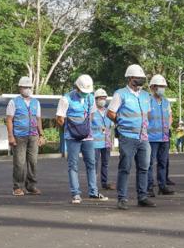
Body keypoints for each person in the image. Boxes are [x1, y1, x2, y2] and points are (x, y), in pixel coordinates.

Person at [107, 64, 155, 209]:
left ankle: (143, 197)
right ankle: (122, 198)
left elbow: (148, 114)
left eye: (142, 78)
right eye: (137, 78)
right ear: (130, 78)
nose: (140, 80)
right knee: (125, 167)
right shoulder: (120, 94)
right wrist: (121, 123)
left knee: (144, 167)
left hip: (143, 137)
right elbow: (110, 112)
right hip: (127, 136)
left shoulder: (146, 95)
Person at [58, 74, 104, 204]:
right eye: (83, 92)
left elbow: (92, 115)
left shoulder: (90, 98)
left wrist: (84, 128)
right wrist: (71, 128)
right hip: (72, 137)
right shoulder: (66, 99)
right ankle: (76, 194)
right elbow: (60, 118)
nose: (85, 94)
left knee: (91, 163)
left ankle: (93, 192)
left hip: (87, 136)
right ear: (77, 88)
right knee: (73, 165)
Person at [6, 76, 43, 196]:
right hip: (19, 136)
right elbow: (9, 120)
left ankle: (31, 186)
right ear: (20, 88)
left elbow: (38, 120)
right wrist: (11, 136)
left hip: (33, 136)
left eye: (29, 87)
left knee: (33, 162)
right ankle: (17, 187)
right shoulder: (13, 102)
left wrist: (41, 135)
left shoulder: (36, 102)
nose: (27, 89)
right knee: (19, 162)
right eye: (25, 87)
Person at [147, 74, 174, 196]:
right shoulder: (148, 101)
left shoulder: (166, 102)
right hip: (151, 138)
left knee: (163, 163)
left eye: (163, 86)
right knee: (149, 163)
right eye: (160, 86)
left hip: (164, 137)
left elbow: (170, 116)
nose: (162, 89)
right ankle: (149, 187)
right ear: (152, 87)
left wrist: (168, 127)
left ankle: (162, 186)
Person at [92, 89, 115, 189]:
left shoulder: (108, 112)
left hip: (106, 143)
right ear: (96, 99)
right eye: (101, 98)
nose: (103, 100)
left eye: (104, 98)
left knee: (105, 164)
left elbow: (111, 128)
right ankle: (93, 184)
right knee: (94, 165)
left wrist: (112, 142)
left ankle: (104, 183)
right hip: (95, 144)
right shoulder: (92, 112)